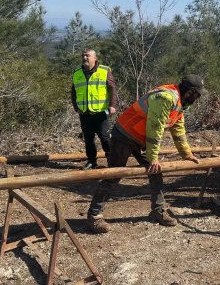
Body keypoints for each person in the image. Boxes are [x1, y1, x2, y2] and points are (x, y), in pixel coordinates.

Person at [86, 74, 207, 232]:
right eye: (197, 95)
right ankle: (94, 216)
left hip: (141, 139)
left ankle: (158, 210)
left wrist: (187, 154)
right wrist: (153, 157)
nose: (197, 99)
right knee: (113, 175)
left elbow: (178, 130)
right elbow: (155, 129)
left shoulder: (180, 103)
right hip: (124, 134)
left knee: (156, 172)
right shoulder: (166, 98)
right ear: (190, 92)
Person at [71, 49, 118, 170]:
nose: (85, 57)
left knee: (104, 137)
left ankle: (112, 159)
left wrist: (112, 105)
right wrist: (76, 107)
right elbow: (73, 91)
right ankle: (92, 161)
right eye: (83, 56)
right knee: (88, 139)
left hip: (101, 112)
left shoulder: (104, 71)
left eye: (87, 55)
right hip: (84, 112)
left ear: (95, 58)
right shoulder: (77, 73)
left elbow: (112, 88)